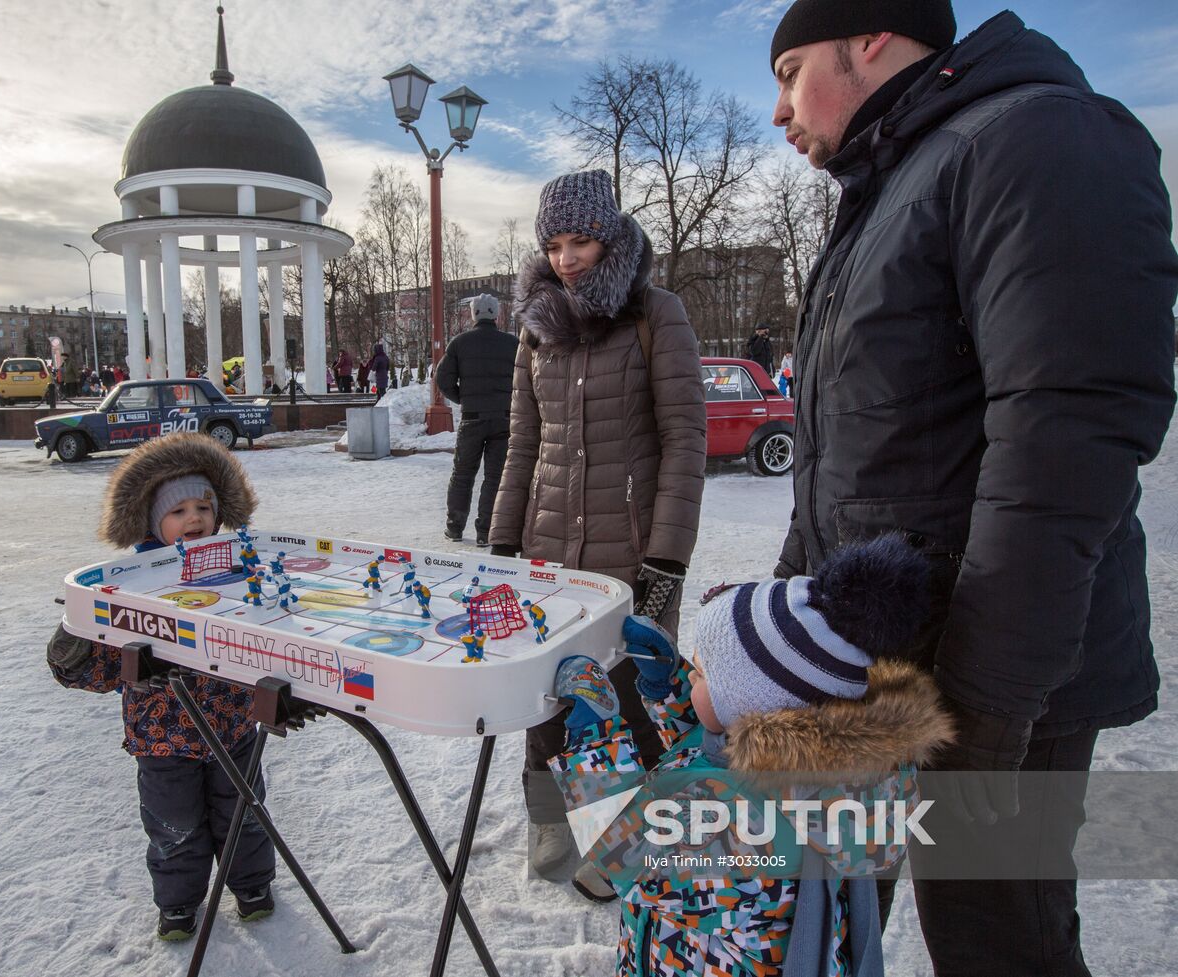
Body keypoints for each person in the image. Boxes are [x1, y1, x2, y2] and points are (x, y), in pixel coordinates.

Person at [767, 2, 1178, 972]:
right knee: (824, 914)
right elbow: (855, 457)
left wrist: (989, 699)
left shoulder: (1033, 137)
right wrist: (776, 616)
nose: (779, 111)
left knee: (997, 940)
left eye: (788, 72)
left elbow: (1060, 435)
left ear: (867, 36)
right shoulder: (890, 187)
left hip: (998, 673)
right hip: (884, 663)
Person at [550, 536, 951, 977]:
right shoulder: (819, 775)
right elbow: (712, 753)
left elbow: (625, 854)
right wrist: (670, 689)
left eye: (701, 674)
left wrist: (595, 740)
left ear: (751, 708)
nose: (694, 677)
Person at [487, 169, 706, 896]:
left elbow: (684, 440)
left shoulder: (656, 313)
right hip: (549, 551)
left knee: (626, 696)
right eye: (553, 243)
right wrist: (502, 549)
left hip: (632, 555)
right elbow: (524, 445)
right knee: (541, 695)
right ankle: (551, 816)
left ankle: (618, 836)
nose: (566, 257)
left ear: (609, 233)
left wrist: (666, 559)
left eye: (580, 239)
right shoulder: (536, 325)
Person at [46, 432, 276, 941]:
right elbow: (100, 666)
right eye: (178, 511)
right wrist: (78, 644)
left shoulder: (242, 568)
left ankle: (253, 886)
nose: (194, 518)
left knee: (244, 813)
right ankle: (177, 905)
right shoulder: (130, 583)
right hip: (162, 737)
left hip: (235, 724)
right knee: (174, 827)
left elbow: (275, 629)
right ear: (153, 521)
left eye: (203, 506)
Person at [436, 294, 519, 545]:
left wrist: (462, 398)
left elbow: (443, 379)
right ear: (496, 315)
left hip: (471, 419)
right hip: (504, 419)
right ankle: (486, 531)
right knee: (495, 477)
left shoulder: (460, 343)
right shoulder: (512, 344)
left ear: (473, 315)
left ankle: (455, 528)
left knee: (462, 474)